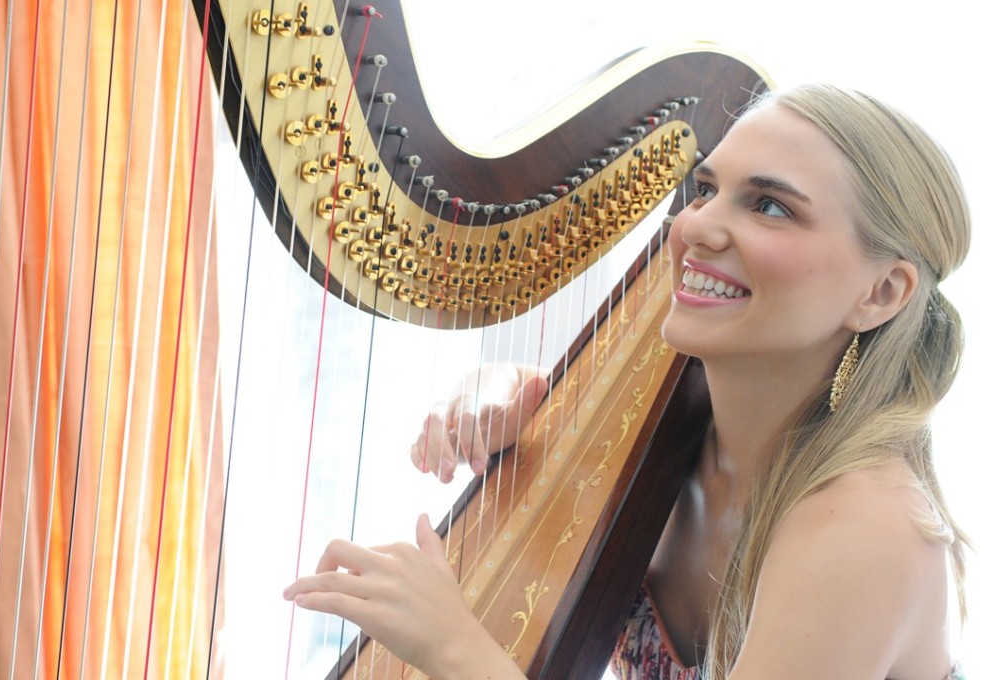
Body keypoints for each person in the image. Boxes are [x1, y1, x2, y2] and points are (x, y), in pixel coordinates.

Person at [283, 84, 971, 679]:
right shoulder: (684, 434)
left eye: (768, 206)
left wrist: (454, 647)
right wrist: (513, 399)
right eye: (705, 191)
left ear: (881, 291)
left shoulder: (864, 529)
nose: (697, 226)